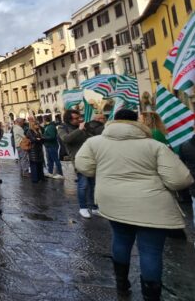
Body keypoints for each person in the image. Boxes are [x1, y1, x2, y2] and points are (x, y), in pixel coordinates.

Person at [76, 109, 193, 301]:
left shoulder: (94, 143)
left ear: (114, 121)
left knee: (120, 239)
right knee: (151, 251)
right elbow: (180, 180)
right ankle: (151, 296)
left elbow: (84, 167)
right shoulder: (154, 145)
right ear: (138, 124)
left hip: (113, 200)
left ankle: (122, 284)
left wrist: (105, 172)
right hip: (152, 204)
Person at [58, 109, 93, 219]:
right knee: (83, 184)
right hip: (78, 159)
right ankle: (83, 207)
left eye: (79, 117)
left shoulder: (84, 127)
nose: (79, 119)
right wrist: (79, 129)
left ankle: (94, 207)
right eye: (76, 118)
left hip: (91, 157)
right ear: (69, 119)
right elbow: (66, 139)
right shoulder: (62, 128)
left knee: (93, 184)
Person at [26, 119, 46, 183]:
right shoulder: (30, 131)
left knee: (40, 164)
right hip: (33, 150)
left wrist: (39, 139)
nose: (38, 125)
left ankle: (41, 177)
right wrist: (39, 139)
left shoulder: (38, 131)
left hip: (39, 149)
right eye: (36, 124)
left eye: (38, 124)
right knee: (34, 165)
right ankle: (35, 179)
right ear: (33, 125)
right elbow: (33, 139)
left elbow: (42, 138)